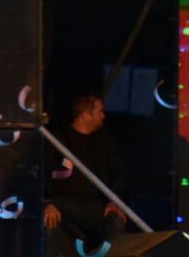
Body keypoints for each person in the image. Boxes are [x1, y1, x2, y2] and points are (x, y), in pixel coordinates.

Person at [44, 94, 127, 256]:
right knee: (50, 221)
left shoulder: (105, 141)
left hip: (96, 206)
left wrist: (114, 202)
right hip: (64, 204)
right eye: (100, 111)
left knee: (116, 223)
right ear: (86, 115)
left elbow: (119, 174)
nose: (103, 116)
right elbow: (44, 172)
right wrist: (48, 202)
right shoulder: (58, 139)